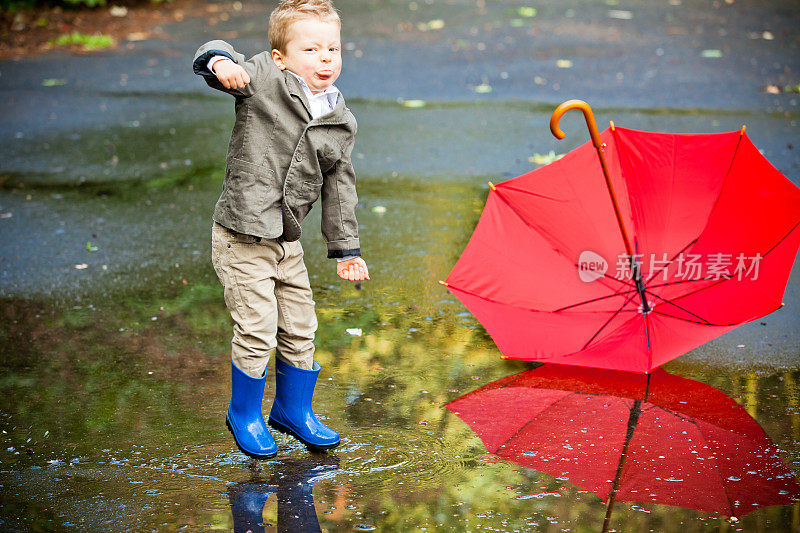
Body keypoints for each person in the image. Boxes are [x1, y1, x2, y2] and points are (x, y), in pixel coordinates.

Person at [192, 0, 368, 458]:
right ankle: (244, 413)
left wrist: (347, 249)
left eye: (333, 47)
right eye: (311, 49)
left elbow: (340, 187)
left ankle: (293, 410)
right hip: (242, 236)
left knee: (300, 326)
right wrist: (220, 62)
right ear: (280, 57)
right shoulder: (263, 80)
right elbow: (213, 53)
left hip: (286, 242)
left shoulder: (339, 119)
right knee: (257, 329)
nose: (326, 57)